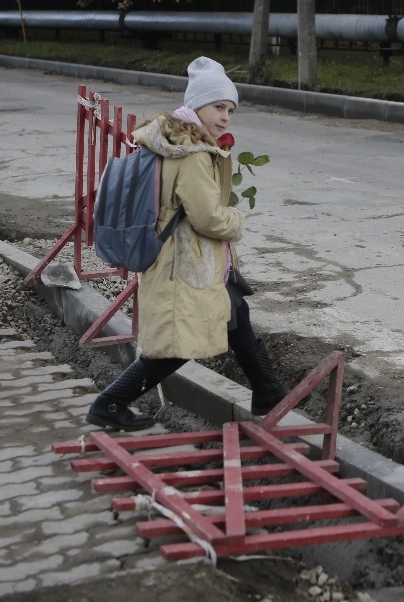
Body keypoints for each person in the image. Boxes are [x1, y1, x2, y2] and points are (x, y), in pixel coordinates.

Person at [86, 56, 294, 431]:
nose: (226, 116)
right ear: (197, 105)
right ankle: (110, 403)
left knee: (235, 312)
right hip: (183, 263)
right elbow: (208, 217)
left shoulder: (171, 142)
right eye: (218, 106)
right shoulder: (193, 153)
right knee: (179, 345)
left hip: (184, 260)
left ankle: (268, 390)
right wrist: (236, 222)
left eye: (231, 109)